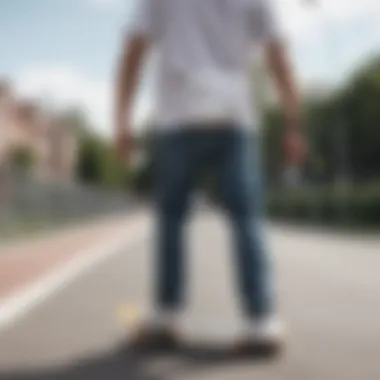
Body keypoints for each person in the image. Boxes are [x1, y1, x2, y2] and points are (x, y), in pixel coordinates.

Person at [115, 0, 306, 350]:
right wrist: (293, 124)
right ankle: (261, 321)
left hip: (178, 116)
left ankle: (166, 315)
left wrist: (123, 119)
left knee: (171, 218)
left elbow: (133, 52)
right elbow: (279, 56)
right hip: (234, 117)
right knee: (247, 218)